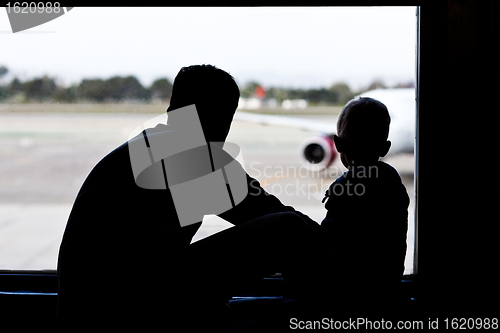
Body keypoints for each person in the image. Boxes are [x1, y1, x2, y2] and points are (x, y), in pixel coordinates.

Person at [56, 64, 335, 330]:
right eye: (222, 116)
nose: (223, 129)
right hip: (128, 311)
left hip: (91, 313)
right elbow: (275, 219)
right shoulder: (193, 157)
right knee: (286, 229)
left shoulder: (146, 148)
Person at [320, 96, 410, 313]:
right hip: (386, 284)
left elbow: (328, 238)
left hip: (351, 289)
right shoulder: (392, 180)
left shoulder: (345, 186)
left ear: (338, 144)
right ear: (385, 148)